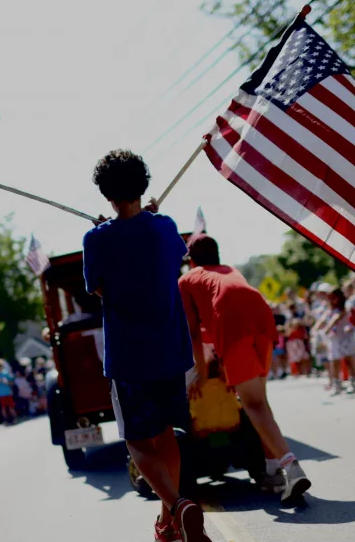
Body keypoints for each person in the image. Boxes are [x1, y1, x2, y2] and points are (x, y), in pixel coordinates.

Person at [83, 149, 210, 542]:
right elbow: (170, 253)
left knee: (138, 441)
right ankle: (169, 524)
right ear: (143, 184)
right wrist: (150, 217)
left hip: (129, 357)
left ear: (106, 194)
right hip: (170, 352)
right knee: (166, 434)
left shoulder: (95, 239)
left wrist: (109, 230)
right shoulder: (165, 226)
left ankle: (178, 506)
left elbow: (101, 289)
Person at [178, 236, 311, 505]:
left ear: (191, 260)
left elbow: (193, 332)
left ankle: (292, 469)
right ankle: (272, 471)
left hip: (233, 324)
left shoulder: (188, 279)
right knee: (260, 401)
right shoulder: (230, 271)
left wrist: (203, 374)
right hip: (261, 316)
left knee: (253, 404)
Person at [316, 289, 355, 396]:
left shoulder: (344, 309)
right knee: (335, 361)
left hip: (345, 337)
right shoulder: (329, 310)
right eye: (330, 298)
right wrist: (317, 329)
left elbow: (336, 319)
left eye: (334, 298)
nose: (332, 301)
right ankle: (337, 384)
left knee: (350, 359)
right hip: (334, 339)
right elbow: (323, 320)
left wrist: (328, 328)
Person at [0, 359, 17, 425]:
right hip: (1, 394)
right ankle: (6, 420)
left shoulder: (6, 373)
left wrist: (7, 382)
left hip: (8, 392)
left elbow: (12, 382)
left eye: (0, 366)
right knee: (3, 408)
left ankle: (14, 419)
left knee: (11, 406)